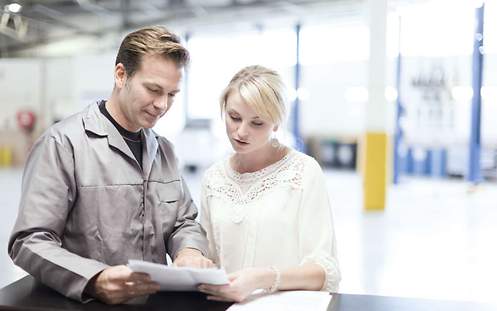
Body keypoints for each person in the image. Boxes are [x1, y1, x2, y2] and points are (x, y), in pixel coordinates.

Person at [8, 26, 213, 305]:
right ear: (121, 75)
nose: (162, 105)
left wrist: (189, 251)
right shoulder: (63, 144)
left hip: (153, 302)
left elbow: (183, 221)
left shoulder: (163, 149)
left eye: (172, 94)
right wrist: (94, 279)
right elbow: (29, 241)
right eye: (153, 89)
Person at [198, 65, 341, 302]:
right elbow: (209, 259)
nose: (241, 131)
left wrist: (263, 278)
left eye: (257, 123)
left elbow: (325, 271)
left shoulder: (304, 172)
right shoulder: (213, 178)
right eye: (234, 117)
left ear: (276, 123)